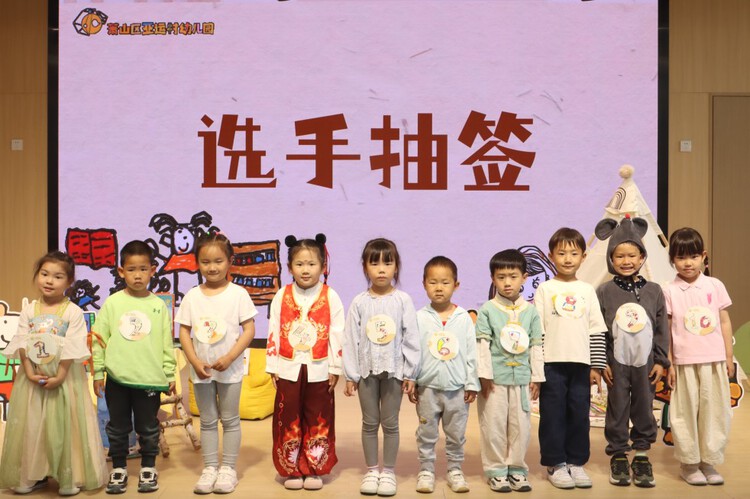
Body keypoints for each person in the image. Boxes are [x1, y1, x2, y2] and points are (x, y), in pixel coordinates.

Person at [0, 251, 108, 495]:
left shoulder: (72, 312)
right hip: (33, 380)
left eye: (58, 277)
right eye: (44, 274)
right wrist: (29, 372)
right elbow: (22, 343)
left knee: (64, 427)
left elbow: (73, 347)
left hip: (64, 380)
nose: (49, 281)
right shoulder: (29, 310)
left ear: (69, 282)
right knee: (33, 426)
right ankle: (33, 474)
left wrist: (59, 376)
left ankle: (69, 476)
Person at [92, 240, 177, 494]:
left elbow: (166, 342)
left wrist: (169, 372)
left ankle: (148, 466)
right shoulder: (112, 303)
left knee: (148, 426)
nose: (137, 275)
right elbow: (98, 339)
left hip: (149, 379)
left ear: (153, 270)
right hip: (117, 379)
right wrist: (98, 372)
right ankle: (118, 468)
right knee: (117, 426)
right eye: (131, 269)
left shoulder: (158, 305)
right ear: (121, 271)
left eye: (143, 269)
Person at [175, 233, 257, 494]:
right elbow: (184, 332)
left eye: (218, 261)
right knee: (208, 420)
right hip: (202, 370)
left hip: (230, 369)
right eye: (205, 262)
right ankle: (210, 467)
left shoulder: (238, 294)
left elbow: (249, 330)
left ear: (230, 261)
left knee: (230, 419)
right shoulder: (192, 296)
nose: (212, 267)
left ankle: (228, 469)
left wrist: (230, 357)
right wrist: (194, 360)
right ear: (197, 263)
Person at [594, 215, 670, 488]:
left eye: (631, 255)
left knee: (644, 406)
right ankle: (617, 454)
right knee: (617, 407)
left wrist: (661, 360)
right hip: (616, 364)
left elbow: (661, 328)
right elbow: (598, 329)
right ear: (611, 259)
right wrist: (602, 361)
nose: (626, 261)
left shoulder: (654, 291)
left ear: (642, 257)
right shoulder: (604, 291)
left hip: (646, 364)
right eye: (619, 256)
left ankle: (641, 455)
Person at [265, 234, 344, 491]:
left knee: (318, 417)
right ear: (289, 267)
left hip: (319, 368)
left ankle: (314, 468)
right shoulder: (282, 295)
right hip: (287, 367)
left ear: (323, 266)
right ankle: (291, 468)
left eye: (311, 264)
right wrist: (273, 366)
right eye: (299, 264)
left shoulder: (331, 296)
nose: (305, 270)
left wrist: (335, 367)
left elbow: (337, 333)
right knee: (287, 417)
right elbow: (273, 330)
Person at [343, 238, 420, 497]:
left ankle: (388, 472)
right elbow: (350, 339)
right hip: (366, 371)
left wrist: (410, 372)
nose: (381, 269)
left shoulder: (403, 300)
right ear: (365, 267)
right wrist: (351, 374)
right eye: (374, 263)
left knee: (390, 423)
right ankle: (371, 470)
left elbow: (411, 337)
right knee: (369, 422)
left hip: (394, 371)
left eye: (388, 263)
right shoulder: (359, 302)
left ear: (396, 267)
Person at [534, 228, 607, 489]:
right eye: (561, 253)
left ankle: (576, 462)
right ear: (551, 256)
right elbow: (538, 331)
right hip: (552, 364)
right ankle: (555, 463)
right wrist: (537, 368)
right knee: (552, 414)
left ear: (583, 257)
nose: (567, 259)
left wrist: (597, 366)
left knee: (579, 414)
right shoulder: (545, 289)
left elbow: (596, 329)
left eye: (574, 253)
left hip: (581, 364)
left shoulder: (587, 290)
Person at [663, 228, 734, 486]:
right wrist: (669, 362)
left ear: (703, 256)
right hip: (684, 363)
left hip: (713, 361)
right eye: (681, 257)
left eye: (693, 256)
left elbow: (724, 322)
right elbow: (666, 329)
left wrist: (728, 357)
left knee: (714, 411)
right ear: (672, 259)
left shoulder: (715, 285)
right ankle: (689, 463)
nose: (688, 263)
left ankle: (709, 461)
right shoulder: (669, 290)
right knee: (684, 413)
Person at [475, 249, 544, 493]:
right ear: (493, 278)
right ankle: (495, 470)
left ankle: (517, 469)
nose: (507, 283)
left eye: (513, 277)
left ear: (524, 277)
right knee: (493, 426)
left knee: (521, 427)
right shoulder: (487, 310)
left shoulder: (530, 312)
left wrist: (537, 377)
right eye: (501, 277)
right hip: (494, 380)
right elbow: (482, 345)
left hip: (522, 379)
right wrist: (484, 376)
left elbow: (536, 345)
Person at [409, 256, 479, 494]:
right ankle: (426, 470)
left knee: (456, 434)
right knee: (426, 432)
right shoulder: (419, 317)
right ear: (424, 284)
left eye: (445, 282)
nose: (439, 288)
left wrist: (471, 383)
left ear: (456, 285)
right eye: (433, 282)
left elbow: (471, 353)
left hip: (457, 389)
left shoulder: (463, 318)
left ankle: (455, 470)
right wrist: (412, 379)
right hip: (427, 388)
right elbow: (414, 351)